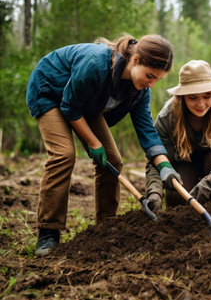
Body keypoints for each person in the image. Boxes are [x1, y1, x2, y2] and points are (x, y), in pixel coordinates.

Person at [26, 34, 181, 255]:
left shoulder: (140, 91)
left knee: (114, 161)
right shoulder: (97, 63)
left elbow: (147, 131)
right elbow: (69, 107)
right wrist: (92, 143)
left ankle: (107, 227)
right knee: (64, 155)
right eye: (150, 76)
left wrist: (165, 167)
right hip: (49, 92)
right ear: (135, 60)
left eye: (158, 79)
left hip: (85, 103)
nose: (152, 84)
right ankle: (48, 232)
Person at [145, 60, 211, 209]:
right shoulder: (167, 116)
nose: (201, 104)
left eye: (207, 96)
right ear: (181, 97)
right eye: (193, 97)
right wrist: (154, 193)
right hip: (183, 163)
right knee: (177, 194)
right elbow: (157, 160)